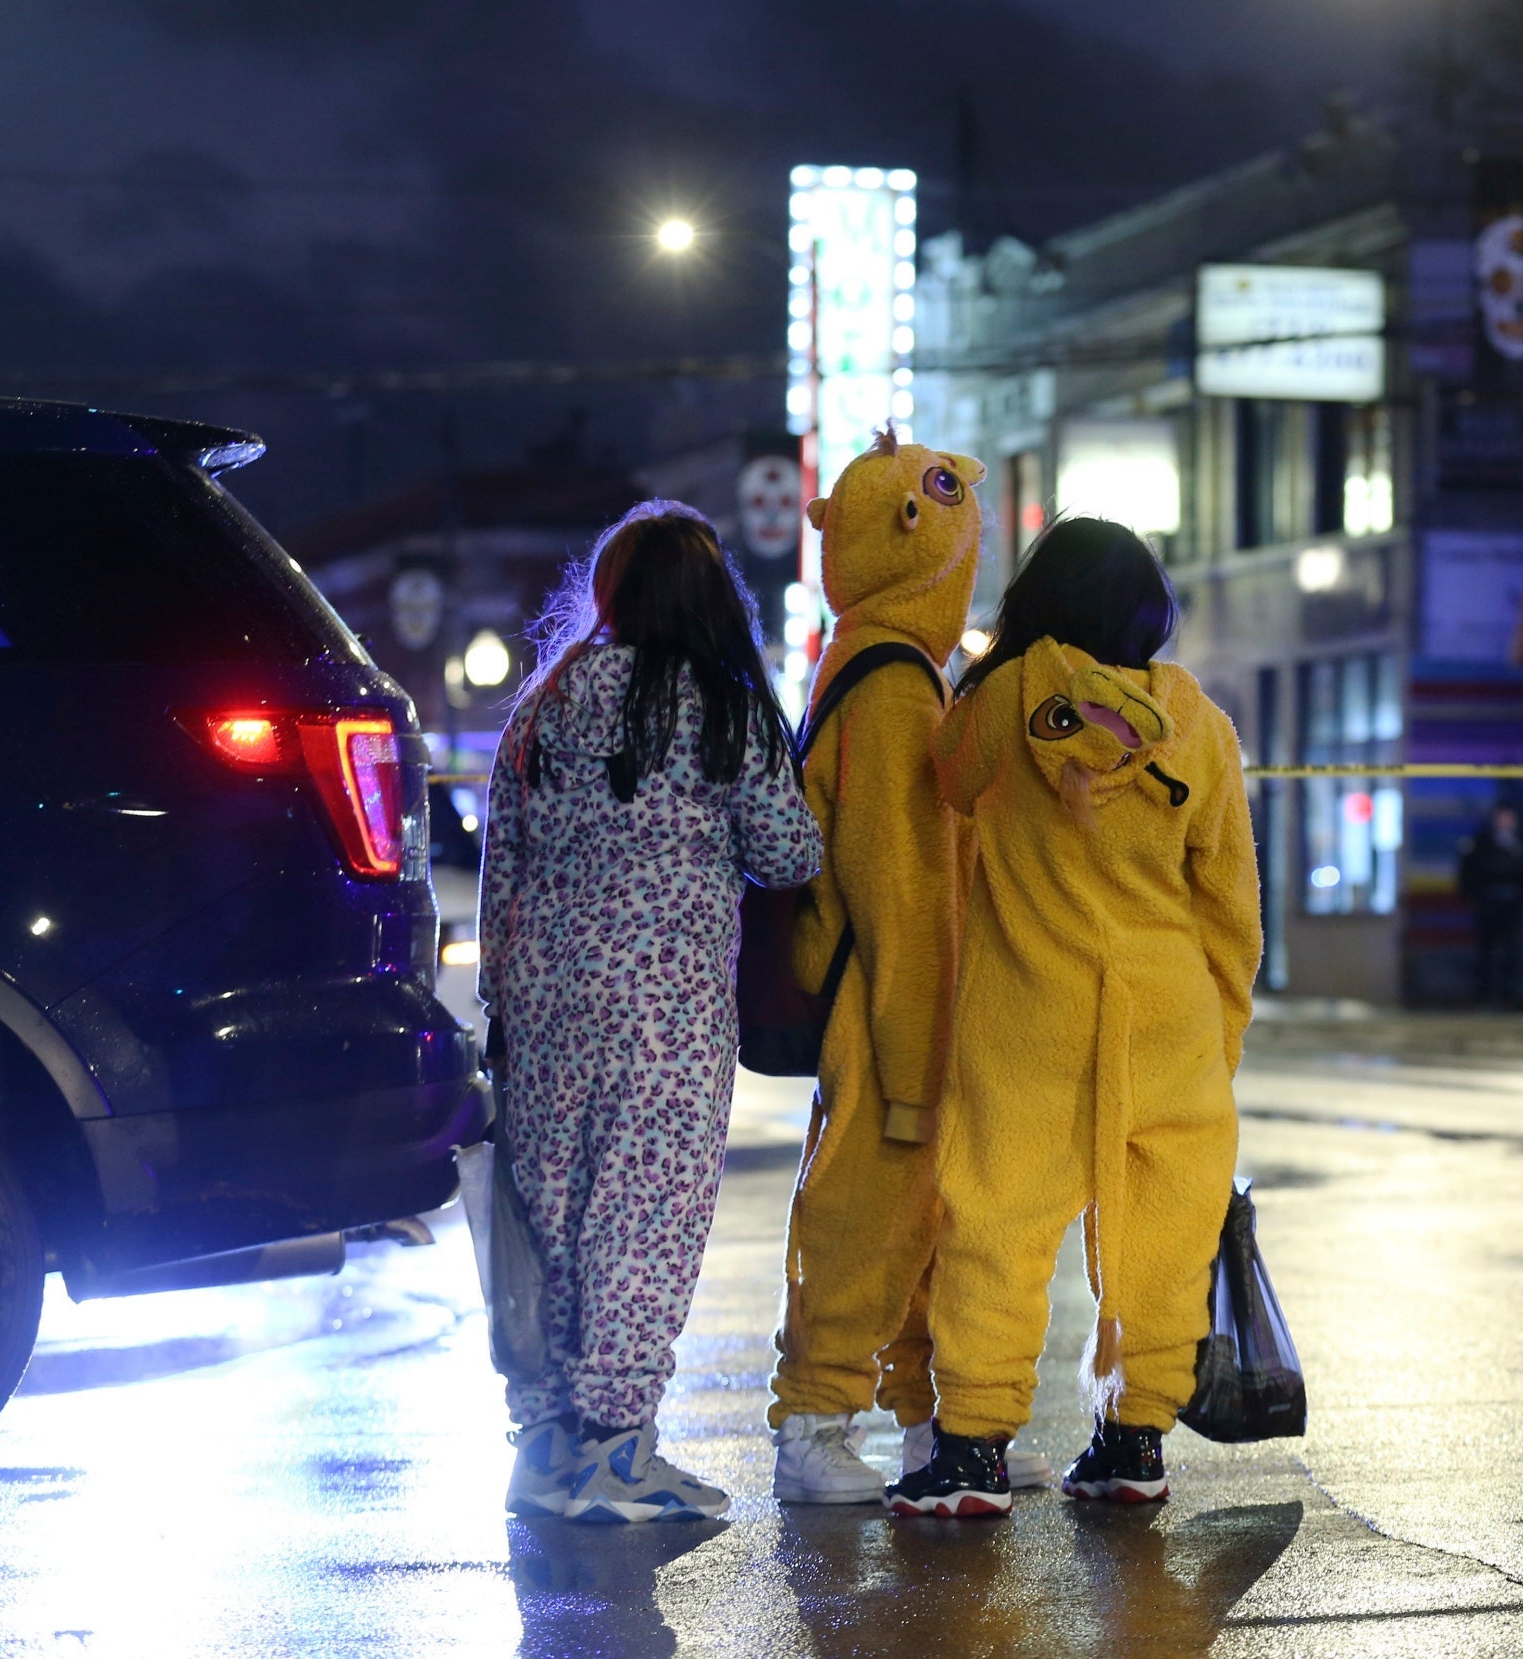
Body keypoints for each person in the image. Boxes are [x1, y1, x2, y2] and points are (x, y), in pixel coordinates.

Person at [886, 517, 1261, 1519]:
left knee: (996, 1225)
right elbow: (1228, 904)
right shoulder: (1202, 727)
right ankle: (1134, 1437)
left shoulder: (1001, 701)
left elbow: (947, 779)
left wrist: (1010, 669)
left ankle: (970, 1449)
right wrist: (1219, 1029)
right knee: (1162, 1238)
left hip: (1028, 1014)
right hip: (1167, 1014)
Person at [478, 500, 821, 1523]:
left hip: (543, 1001)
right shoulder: (717, 708)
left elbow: (505, 863)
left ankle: (544, 1445)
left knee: (550, 1216)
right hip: (663, 1013)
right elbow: (790, 852)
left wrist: (500, 988)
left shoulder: (545, 702)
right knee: (646, 1216)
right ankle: (616, 1449)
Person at [765, 429, 1054, 1501]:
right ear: (925, 539)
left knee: (924, 1220)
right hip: (892, 1010)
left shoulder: (884, 665)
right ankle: (814, 1420)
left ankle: (929, 1424)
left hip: (897, 1005)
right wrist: (914, 1054)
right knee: (868, 1216)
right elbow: (904, 892)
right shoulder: (890, 686)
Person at [1456, 802, 1523, 1007]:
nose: (1504, 821)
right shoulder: (1480, 842)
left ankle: (1512, 996)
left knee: (1515, 952)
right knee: (1486, 952)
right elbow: (1467, 873)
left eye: (1508, 816)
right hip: (1487, 904)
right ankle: (1486, 995)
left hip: (1516, 906)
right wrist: (1473, 897)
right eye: (1501, 816)